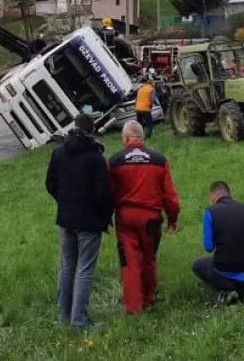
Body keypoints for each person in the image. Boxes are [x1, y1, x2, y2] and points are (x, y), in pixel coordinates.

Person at [45, 113, 113, 327]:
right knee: (84, 269)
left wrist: (62, 201)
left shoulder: (58, 153)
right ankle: (79, 320)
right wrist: (106, 215)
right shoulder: (95, 157)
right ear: (92, 130)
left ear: (74, 127)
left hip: (65, 219)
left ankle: (63, 315)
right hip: (89, 221)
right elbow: (103, 193)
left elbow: (50, 183)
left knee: (66, 267)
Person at [107, 121, 180, 313]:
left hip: (126, 217)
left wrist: (106, 216)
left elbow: (107, 191)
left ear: (125, 138)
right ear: (142, 137)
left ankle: (133, 307)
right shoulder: (159, 160)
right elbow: (170, 195)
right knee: (149, 258)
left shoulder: (115, 161)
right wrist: (173, 218)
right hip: (151, 218)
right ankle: (148, 297)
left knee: (129, 261)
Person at [191, 180, 244, 304]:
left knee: (197, 264)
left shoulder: (210, 212)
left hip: (225, 275)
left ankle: (226, 290)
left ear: (213, 197)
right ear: (229, 193)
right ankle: (243, 290)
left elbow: (208, 247)